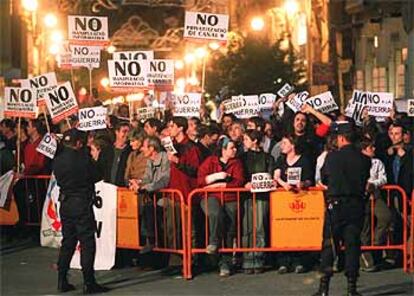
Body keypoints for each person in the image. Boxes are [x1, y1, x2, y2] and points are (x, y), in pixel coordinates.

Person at [313, 121, 371, 296]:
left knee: (329, 245)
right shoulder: (364, 159)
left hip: (335, 205)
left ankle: (324, 288)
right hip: (355, 205)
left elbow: (324, 178)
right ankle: (351, 288)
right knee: (353, 245)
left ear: (341, 138)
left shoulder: (332, 157)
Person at [53, 129, 109, 294]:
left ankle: (62, 280)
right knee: (87, 243)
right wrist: (95, 159)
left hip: (66, 203)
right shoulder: (84, 159)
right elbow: (97, 175)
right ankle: (89, 282)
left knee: (68, 242)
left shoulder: (58, 159)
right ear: (78, 143)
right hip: (81, 203)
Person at [197, 136, 245, 277]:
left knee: (230, 228)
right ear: (223, 150)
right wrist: (216, 177)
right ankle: (214, 242)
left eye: (235, 147)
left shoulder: (237, 163)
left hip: (230, 197)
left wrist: (222, 185)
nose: (234, 150)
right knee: (215, 213)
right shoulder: (210, 161)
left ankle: (226, 262)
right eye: (231, 148)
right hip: (211, 196)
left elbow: (239, 181)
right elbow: (200, 180)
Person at [273, 134, 314, 274]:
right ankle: (283, 261)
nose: (282, 146)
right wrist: (284, 184)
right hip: (283, 200)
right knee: (284, 229)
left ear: (293, 145)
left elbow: (310, 179)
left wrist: (302, 184)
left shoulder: (304, 161)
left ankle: (299, 261)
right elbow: (276, 176)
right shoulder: (280, 160)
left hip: (301, 199)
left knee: (299, 229)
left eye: (284, 143)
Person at [129, 136, 170, 254]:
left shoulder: (165, 159)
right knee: (146, 208)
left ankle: (152, 241)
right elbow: (147, 178)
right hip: (154, 196)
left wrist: (143, 188)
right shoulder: (149, 161)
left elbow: (163, 181)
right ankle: (150, 241)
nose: (142, 149)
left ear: (152, 148)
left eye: (144, 147)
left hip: (167, 196)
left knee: (150, 208)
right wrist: (138, 182)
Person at [241, 130, 274, 274]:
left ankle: (259, 258)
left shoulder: (267, 157)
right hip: (246, 196)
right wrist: (244, 183)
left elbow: (270, 174)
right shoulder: (242, 157)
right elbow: (240, 174)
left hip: (261, 196)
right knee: (247, 227)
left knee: (259, 227)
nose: (244, 142)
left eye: (246, 139)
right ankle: (248, 259)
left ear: (254, 141)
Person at [359, 138, 391, 272]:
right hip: (361, 196)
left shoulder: (377, 162)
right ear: (364, 150)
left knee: (385, 217)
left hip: (376, 195)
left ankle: (377, 244)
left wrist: (374, 184)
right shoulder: (357, 162)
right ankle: (366, 256)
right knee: (365, 225)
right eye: (370, 148)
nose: (374, 149)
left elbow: (383, 178)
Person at [101, 122, 131, 187]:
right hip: (108, 187)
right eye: (124, 131)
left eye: (128, 132)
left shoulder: (130, 151)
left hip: (123, 188)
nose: (127, 134)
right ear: (117, 132)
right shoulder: (107, 150)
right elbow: (101, 167)